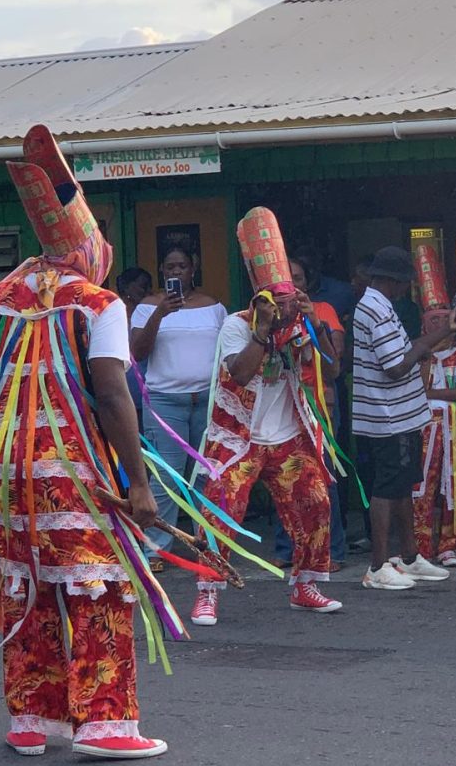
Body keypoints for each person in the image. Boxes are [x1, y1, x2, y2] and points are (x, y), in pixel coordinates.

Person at [0, 125, 168, 758]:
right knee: (99, 587)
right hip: (73, 473)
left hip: (6, 473)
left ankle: (32, 720)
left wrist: (6, 326)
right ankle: (105, 725)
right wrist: (138, 484)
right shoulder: (98, 302)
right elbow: (112, 394)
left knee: (25, 586)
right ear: (89, 250)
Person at [190, 207, 342, 626]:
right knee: (220, 511)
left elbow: (332, 372)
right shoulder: (237, 326)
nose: (288, 308)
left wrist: (315, 326)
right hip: (237, 438)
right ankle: (207, 591)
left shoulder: (302, 325)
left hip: (288, 437)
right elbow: (240, 374)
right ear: (262, 300)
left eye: (294, 299)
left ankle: (305, 586)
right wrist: (263, 331)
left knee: (315, 502)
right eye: (281, 302)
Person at [352, 245, 456, 589]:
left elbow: (401, 352)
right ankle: (377, 566)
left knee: (401, 485)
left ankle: (409, 557)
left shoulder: (380, 305)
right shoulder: (376, 309)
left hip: (400, 413)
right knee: (387, 486)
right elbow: (396, 366)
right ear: (393, 281)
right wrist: (425, 346)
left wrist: (441, 333)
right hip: (388, 415)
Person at [131, 244, 227, 573]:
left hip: (207, 401)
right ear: (161, 270)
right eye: (170, 267)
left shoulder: (214, 307)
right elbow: (137, 352)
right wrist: (160, 313)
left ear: (193, 269)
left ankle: (209, 547)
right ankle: (157, 550)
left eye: (182, 266)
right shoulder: (147, 307)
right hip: (164, 402)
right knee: (166, 479)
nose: (176, 272)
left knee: (206, 477)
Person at [271, 253, 347, 570]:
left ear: (307, 283)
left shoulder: (323, 310)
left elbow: (334, 363)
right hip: (281, 407)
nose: (292, 286)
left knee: (323, 477)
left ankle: (332, 550)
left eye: (298, 279)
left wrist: (313, 324)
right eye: (284, 281)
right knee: (283, 476)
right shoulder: (266, 316)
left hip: (318, 405)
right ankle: (287, 548)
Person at [411, 245, 456, 567]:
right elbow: (417, 386)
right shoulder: (417, 356)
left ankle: (448, 546)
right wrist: (426, 357)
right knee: (422, 487)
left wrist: (430, 393)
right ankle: (422, 546)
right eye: (434, 322)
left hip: (452, 431)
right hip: (424, 430)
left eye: (445, 320)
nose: (440, 327)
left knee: (452, 485)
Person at [117, 266, 153, 424]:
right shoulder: (113, 317)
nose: (148, 291)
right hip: (124, 387)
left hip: (149, 390)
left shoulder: (150, 315)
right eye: (143, 286)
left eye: (150, 287)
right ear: (126, 287)